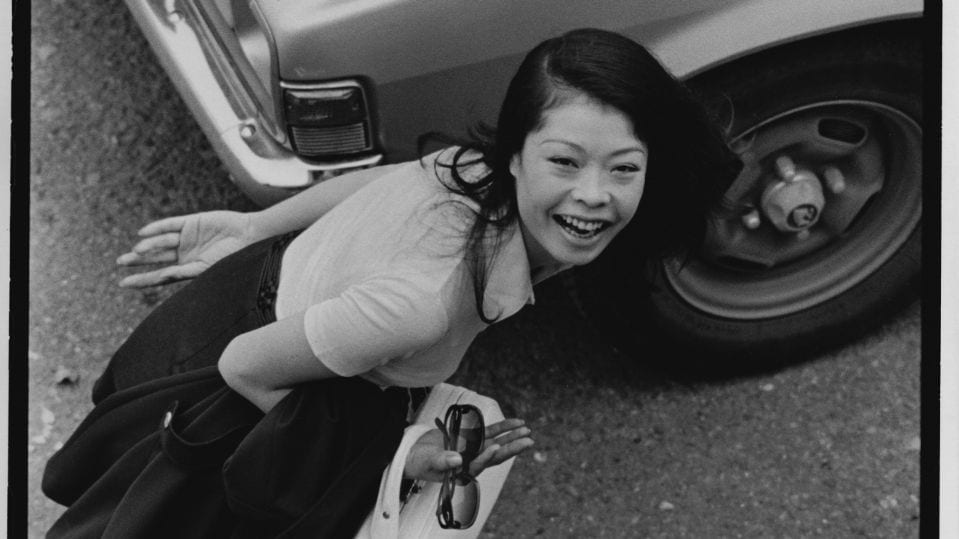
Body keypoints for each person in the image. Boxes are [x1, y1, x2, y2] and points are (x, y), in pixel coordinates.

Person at [43, 28, 741, 537]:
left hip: (254, 303)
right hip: (233, 390)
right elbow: (244, 367)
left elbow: (375, 183)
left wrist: (255, 227)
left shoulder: (468, 169)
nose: (593, 194)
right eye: (565, 161)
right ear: (516, 155)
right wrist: (398, 456)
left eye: (623, 168)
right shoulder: (418, 306)